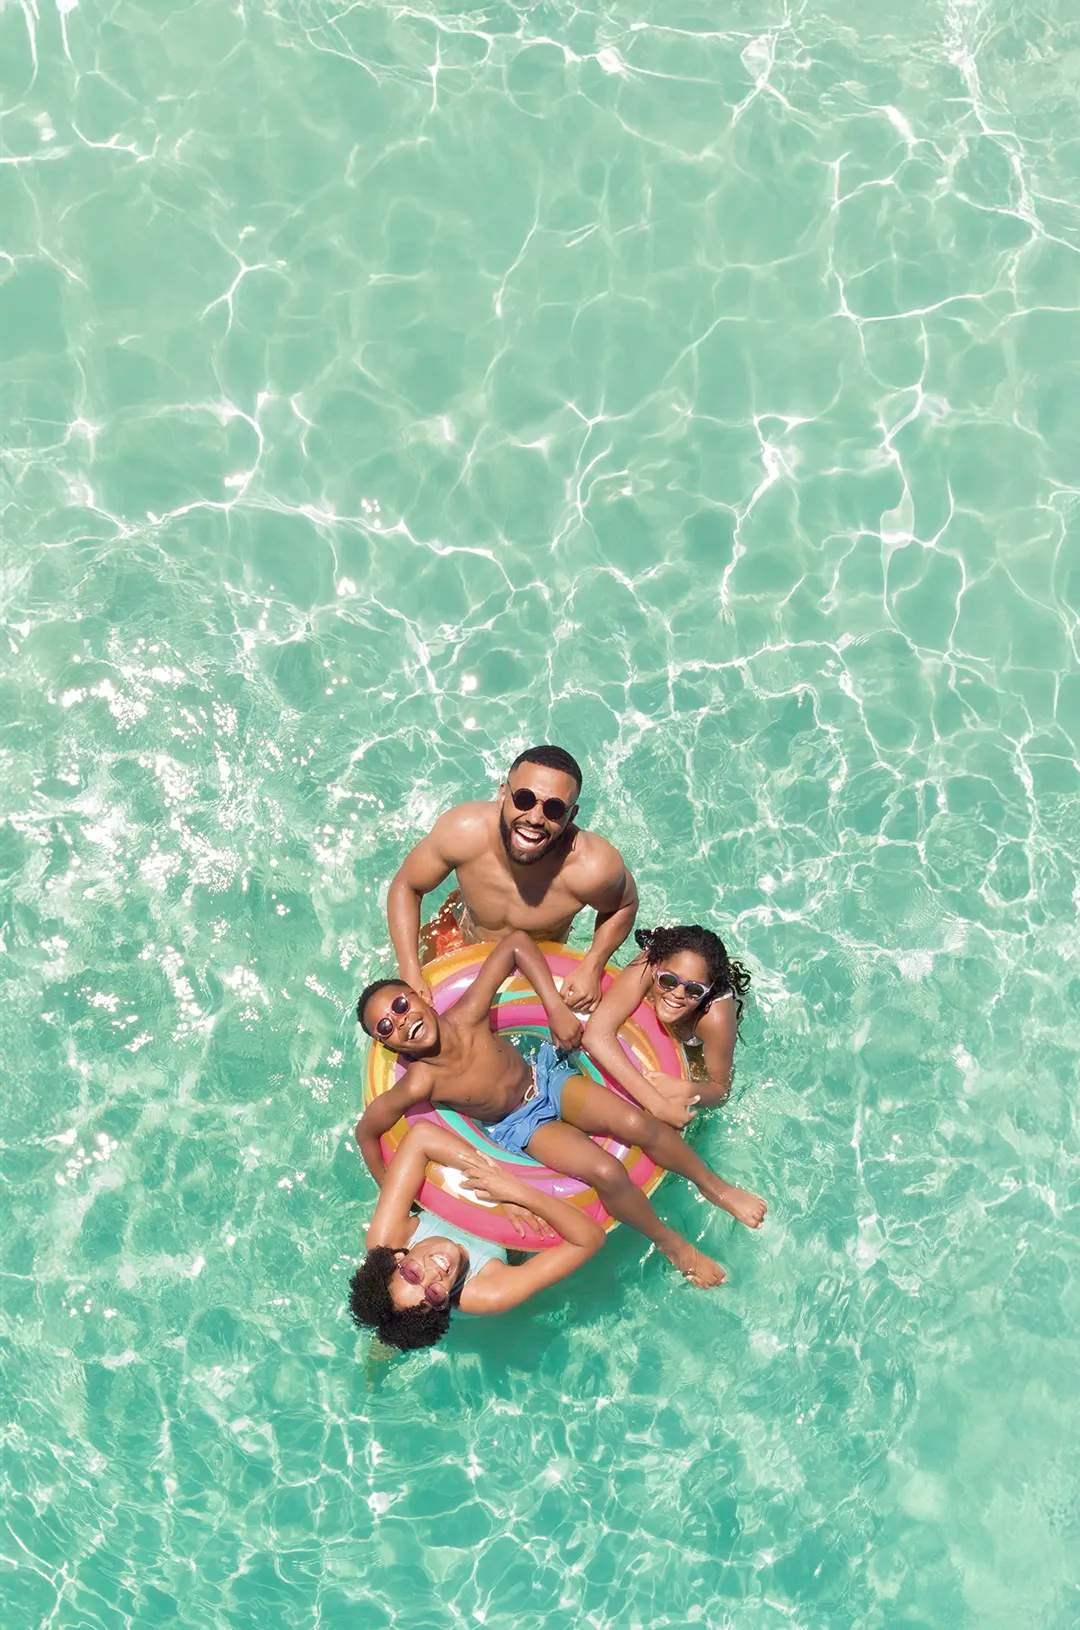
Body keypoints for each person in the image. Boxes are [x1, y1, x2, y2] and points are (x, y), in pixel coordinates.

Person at [354, 931, 766, 1290]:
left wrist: (553, 1007)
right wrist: (394, 1189)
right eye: (385, 1028)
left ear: (419, 995)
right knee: (606, 1171)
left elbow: (515, 943)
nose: (400, 1022)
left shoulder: (466, 1013)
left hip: (547, 1077)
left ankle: (717, 1189)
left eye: (401, 1006)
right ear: (388, 1046)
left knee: (638, 1123)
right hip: (519, 1127)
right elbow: (366, 1131)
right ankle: (670, 1243)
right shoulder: (419, 1082)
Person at [386, 744, 637, 1013]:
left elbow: (624, 905)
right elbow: (408, 886)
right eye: (525, 799)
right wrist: (410, 971)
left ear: (571, 815)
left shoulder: (591, 866)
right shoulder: (463, 832)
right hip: (461, 936)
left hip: (539, 961)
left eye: (554, 809)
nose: (535, 818)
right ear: (503, 793)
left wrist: (593, 964)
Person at [349, 1120, 605, 1350]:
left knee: (372, 1146)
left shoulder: (388, 1240)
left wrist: (488, 1176)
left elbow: (421, 1136)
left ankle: (384, 1341)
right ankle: (383, 1348)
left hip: (446, 1200)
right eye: (434, 1295)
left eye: (413, 1275)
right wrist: (513, 1193)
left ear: (397, 1260)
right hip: (508, 1242)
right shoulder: (488, 1293)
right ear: (444, 1303)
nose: (433, 1275)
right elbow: (590, 1239)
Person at [584, 925, 752, 1130]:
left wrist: (687, 1088)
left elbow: (721, 1090)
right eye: (669, 980)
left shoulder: (714, 1019)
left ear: (706, 992)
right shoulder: (646, 966)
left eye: (694, 990)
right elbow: (595, 1035)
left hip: (697, 1028)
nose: (678, 994)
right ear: (656, 968)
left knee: (696, 1074)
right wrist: (658, 1105)